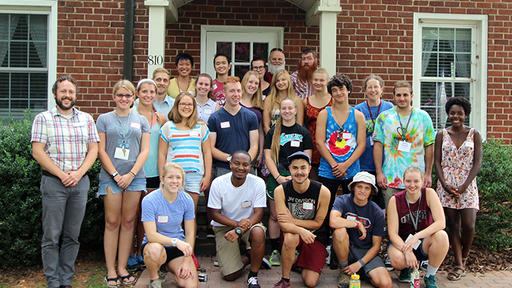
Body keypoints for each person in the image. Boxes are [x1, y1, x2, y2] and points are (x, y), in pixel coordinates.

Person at [31, 76, 99, 288]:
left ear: (75, 95)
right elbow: (37, 151)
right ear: (55, 94)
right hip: (54, 183)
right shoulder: (43, 118)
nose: (67, 96)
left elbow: (94, 149)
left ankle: (66, 280)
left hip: (79, 183)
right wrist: (62, 174)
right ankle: (53, 281)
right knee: (51, 235)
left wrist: (78, 174)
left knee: (72, 235)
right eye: (63, 92)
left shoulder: (86, 119)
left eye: (71, 92)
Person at [96, 80, 150, 287]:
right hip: (111, 177)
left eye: (128, 95)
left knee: (129, 223)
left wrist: (131, 174)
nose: (124, 99)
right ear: (114, 97)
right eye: (120, 95)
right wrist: (117, 174)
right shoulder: (104, 119)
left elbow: (144, 150)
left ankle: (122, 267)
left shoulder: (141, 120)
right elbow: (101, 150)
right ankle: (110, 269)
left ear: (133, 97)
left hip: (135, 178)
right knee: (112, 222)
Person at [434, 97, 482, 281]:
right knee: (453, 226)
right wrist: (445, 185)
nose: (456, 116)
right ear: (448, 114)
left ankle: (465, 254)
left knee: (469, 225)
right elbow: (437, 163)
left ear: (466, 114)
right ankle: (459, 264)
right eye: (452, 113)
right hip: (446, 186)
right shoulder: (441, 135)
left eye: (460, 113)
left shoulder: (474, 134)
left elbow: (477, 163)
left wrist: (464, 186)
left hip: (467, 186)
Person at [264, 98, 314, 266]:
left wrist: (297, 176)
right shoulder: (273, 132)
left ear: (295, 110)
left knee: (296, 214)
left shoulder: (303, 132)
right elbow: (268, 157)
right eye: (283, 108)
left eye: (289, 108)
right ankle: (276, 249)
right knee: (275, 215)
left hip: (297, 176)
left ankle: (295, 246)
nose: (286, 111)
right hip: (278, 176)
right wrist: (278, 177)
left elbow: (308, 158)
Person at [207, 151, 267, 287]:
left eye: (245, 164)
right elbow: (214, 214)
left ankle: (253, 276)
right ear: (230, 164)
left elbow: (258, 214)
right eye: (237, 163)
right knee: (230, 276)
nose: (241, 168)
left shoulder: (258, 183)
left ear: (250, 166)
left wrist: (239, 229)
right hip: (225, 226)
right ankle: (249, 258)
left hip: (249, 224)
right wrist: (236, 224)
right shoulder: (218, 183)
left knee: (258, 232)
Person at [373, 81, 435, 209]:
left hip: (417, 179)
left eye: (405, 95)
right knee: (392, 215)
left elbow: (429, 146)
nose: (402, 98)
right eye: (399, 95)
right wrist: (379, 172)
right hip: (391, 178)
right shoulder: (384, 118)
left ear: (412, 96)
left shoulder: (423, 117)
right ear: (393, 96)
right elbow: (378, 146)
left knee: (417, 216)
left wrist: (428, 173)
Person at [273, 152, 331, 288]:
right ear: (289, 169)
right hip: (293, 235)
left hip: (315, 236)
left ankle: (298, 261)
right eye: (295, 168)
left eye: (303, 168)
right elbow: (283, 224)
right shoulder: (280, 190)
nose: (299, 172)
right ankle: (285, 280)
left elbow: (318, 223)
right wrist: (300, 230)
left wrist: (292, 220)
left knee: (311, 282)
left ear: (310, 169)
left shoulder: (323, 192)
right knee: (291, 236)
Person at [387, 167, 449, 288]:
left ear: (422, 181)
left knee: (442, 236)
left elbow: (441, 223)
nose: (412, 185)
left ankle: (430, 276)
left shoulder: (429, 194)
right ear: (403, 181)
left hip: (423, 241)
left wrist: (417, 236)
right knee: (397, 259)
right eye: (408, 181)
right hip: (403, 242)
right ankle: (406, 268)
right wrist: (407, 251)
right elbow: (393, 233)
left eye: (416, 181)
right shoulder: (395, 200)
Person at [128, 79, 167, 271]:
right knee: (131, 216)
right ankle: (130, 253)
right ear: (137, 93)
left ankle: (142, 251)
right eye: (144, 91)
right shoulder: (130, 113)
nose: (148, 95)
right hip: (134, 172)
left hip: (153, 172)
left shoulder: (160, 117)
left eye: (152, 92)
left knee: (146, 216)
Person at [330, 172, 392, 288]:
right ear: (353, 187)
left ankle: (360, 271)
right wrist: (357, 224)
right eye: (359, 186)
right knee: (339, 231)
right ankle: (344, 270)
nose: (362, 191)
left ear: (371, 191)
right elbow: (333, 221)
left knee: (385, 284)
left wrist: (360, 264)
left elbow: (376, 246)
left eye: (367, 188)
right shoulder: (343, 200)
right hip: (346, 248)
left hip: (365, 251)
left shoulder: (377, 212)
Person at [142, 162, 198, 288]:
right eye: (170, 177)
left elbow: (190, 232)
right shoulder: (149, 200)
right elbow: (151, 235)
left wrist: (187, 260)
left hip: (177, 248)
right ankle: (154, 280)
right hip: (155, 245)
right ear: (162, 179)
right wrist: (175, 242)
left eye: (178, 178)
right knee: (154, 251)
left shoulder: (187, 200)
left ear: (182, 180)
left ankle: (165, 267)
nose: (174, 181)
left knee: (190, 285)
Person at [159, 92, 212, 214]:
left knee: (189, 214)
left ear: (194, 107)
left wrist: (207, 176)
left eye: (189, 104)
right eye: (182, 104)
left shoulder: (201, 126)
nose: (186, 107)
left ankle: (190, 234)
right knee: (172, 212)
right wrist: (162, 176)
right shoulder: (168, 126)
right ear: (177, 106)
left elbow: (207, 153)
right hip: (173, 177)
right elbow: (162, 154)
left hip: (194, 176)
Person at [316, 74, 366, 205]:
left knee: (352, 206)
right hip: (328, 169)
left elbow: (361, 144)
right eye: (334, 90)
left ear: (348, 90)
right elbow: (320, 142)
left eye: (341, 89)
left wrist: (345, 165)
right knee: (324, 206)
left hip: (351, 169)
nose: (338, 93)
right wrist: (334, 165)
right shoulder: (324, 114)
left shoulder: (358, 116)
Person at [354, 74, 393, 209]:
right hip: (365, 161)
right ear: (364, 90)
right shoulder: (358, 110)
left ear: (382, 89)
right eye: (369, 87)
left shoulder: (390, 108)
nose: (373, 90)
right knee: (366, 199)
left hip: (386, 162)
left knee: (384, 202)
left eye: (376, 87)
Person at [208, 76, 259, 177]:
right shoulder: (214, 118)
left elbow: (254, 146)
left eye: (238, 91)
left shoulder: (251, 116)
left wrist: (243, 162)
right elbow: (211, 148)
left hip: (246, 170)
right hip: (223, 168)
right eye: (232, 91)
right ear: (224, 93)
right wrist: (231, 159)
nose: (236, 94)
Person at [304, 68, 332, 179]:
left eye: (321, 80)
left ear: (327, 82)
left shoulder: (333, 101)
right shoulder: (305, 102)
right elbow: (301, 125)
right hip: (311, 148)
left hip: (330, 148)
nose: (318, 83)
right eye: (315, 80)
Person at [263, 69, 304, 134]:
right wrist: (272, 139)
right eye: (277, 81)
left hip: (292, 137)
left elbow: (299, 124)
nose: (280, 83)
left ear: (288, 81)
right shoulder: (269, 100)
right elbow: (266, 125)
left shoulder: (297, 100)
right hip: (273, 138)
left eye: (283, 80)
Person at [240, 71, 265, 168]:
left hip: (253, 150)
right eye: (250, 82)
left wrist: (260, 152)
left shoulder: (259, 105)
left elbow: (260, 131)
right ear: (244, 82)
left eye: (256, 83)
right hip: (237, 147)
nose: (253, 85)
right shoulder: (236, 102)